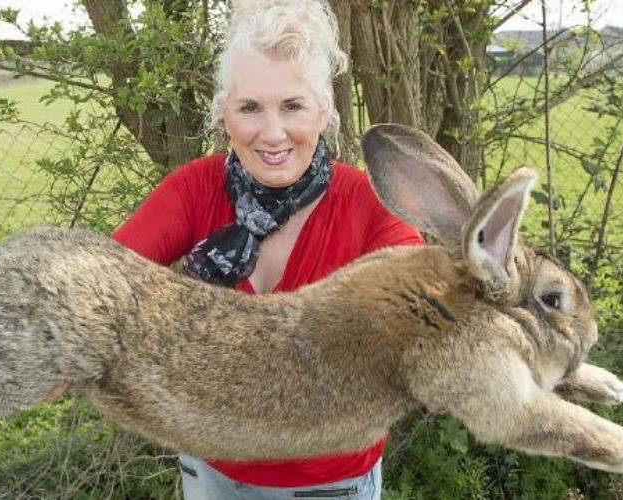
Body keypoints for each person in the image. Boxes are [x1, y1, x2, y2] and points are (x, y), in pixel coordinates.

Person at [112, 0, 422, 498]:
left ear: (324, 110)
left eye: (293, 106)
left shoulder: (371, 207)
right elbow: (98, 283)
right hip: (210, 469)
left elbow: (417, 328)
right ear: (223, 113)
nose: (272, 133)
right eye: (250, 107)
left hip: (327, 483)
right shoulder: (195, 189)